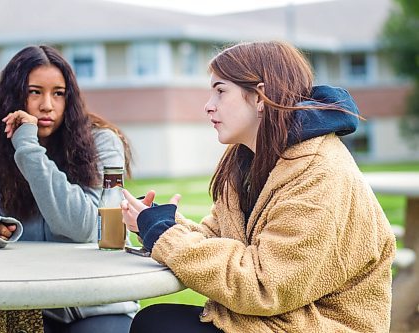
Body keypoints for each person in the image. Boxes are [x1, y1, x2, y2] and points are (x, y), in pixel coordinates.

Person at [121, 41, 396, 333]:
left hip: (319, 324)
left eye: (221, 91)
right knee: (156, 321)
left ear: (260, 97)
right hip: (280, 318)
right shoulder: (250, 159)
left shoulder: (318, 172)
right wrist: (160, 223)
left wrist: (166, 236)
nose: (208, 105)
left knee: (158, 326)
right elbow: (219, 237)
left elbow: (265, 286)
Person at [0, 45, 136, 333]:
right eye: (35, 92)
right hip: (29, 307)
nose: (47, 105)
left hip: (98, 303)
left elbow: (85, 226)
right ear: (14, 95)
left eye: (58, 93)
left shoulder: (103, 143)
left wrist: (28, 149)